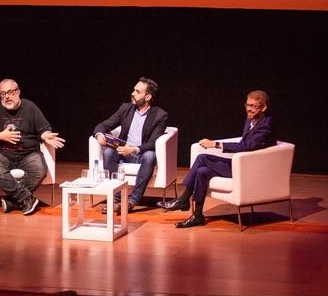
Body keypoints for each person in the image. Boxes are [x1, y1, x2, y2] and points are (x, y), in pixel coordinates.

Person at [158, 90, 276, 228]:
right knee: (202, 171)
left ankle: (184, 200)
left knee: (202, 158)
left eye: (253, 106)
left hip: (250, 169)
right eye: (247, 105)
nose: (249, 109)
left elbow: (247, 146)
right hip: (241, 164)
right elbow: (243, 143)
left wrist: (215, 144)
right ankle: (197, 216)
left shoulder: (266, 125)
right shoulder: (251, 119)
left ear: (264, 108)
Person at [0, 78, 65, 215]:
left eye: (10, 92)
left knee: (39, 170)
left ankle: (13, 201)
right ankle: (26, 198)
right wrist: (2, 136)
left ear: (18, 92)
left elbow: (43, 129)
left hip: (28, 153)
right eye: (3, 93)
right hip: (1, 153)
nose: (7, 96)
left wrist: (45, 135)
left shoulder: (30, 107)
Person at [93, 77, 168, 214]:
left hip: (141, 154)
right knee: (108, 153)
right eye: (133, 90)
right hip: (123, 152)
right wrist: (99, 134)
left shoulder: (159, 115)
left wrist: (134, 149)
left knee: (150, 156)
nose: (133, 93)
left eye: (137, 91)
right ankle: (115, 199)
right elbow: (103, 125)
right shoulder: (125, 108)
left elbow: (153, 142)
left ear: (148, 96)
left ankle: (132, 201)